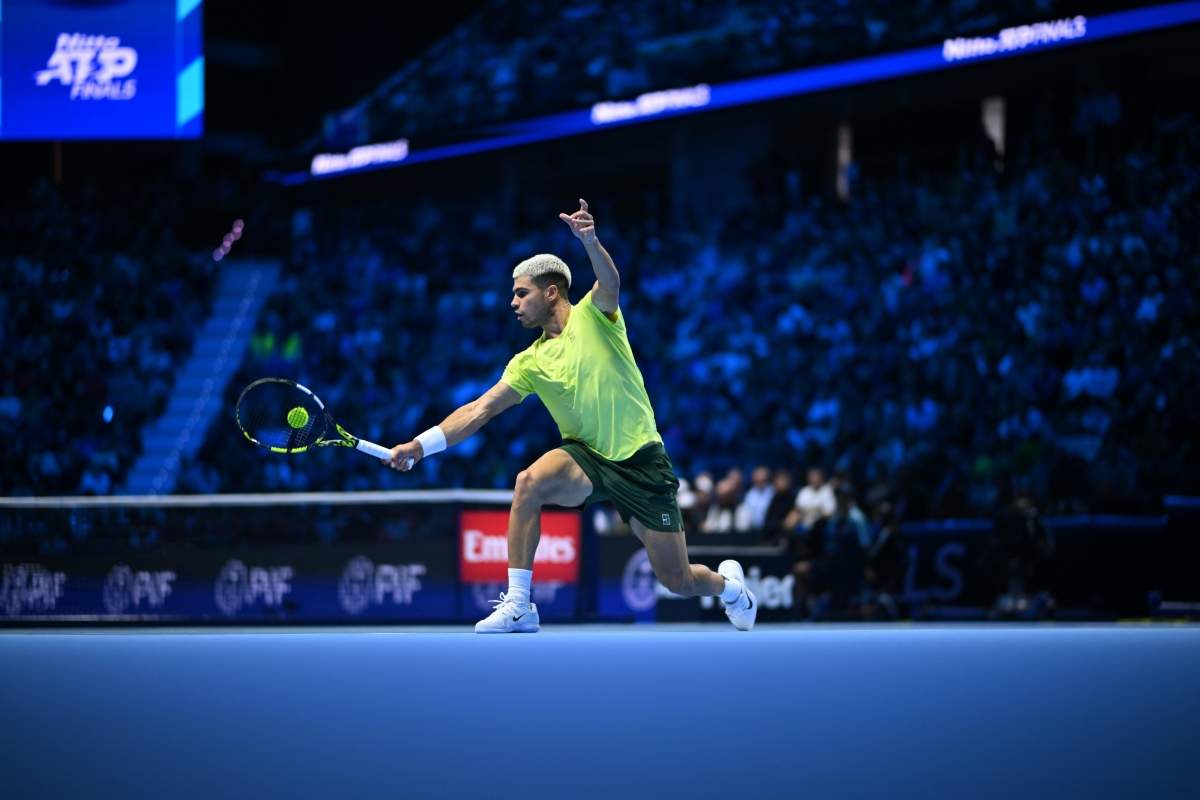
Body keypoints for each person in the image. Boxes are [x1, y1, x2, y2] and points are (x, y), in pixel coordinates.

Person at [383, 199, 757, 633]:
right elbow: (479, 409)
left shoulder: (595, 315)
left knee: (677, 579)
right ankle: (521, 605)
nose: (513, 303)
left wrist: (591, 242)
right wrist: (419, 446)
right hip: (587, 457)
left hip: (641, 461)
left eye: (521, 293)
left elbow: (610, 280)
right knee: (528, 483)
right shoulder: (529, 361)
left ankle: (731, 588)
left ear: (551, 292)